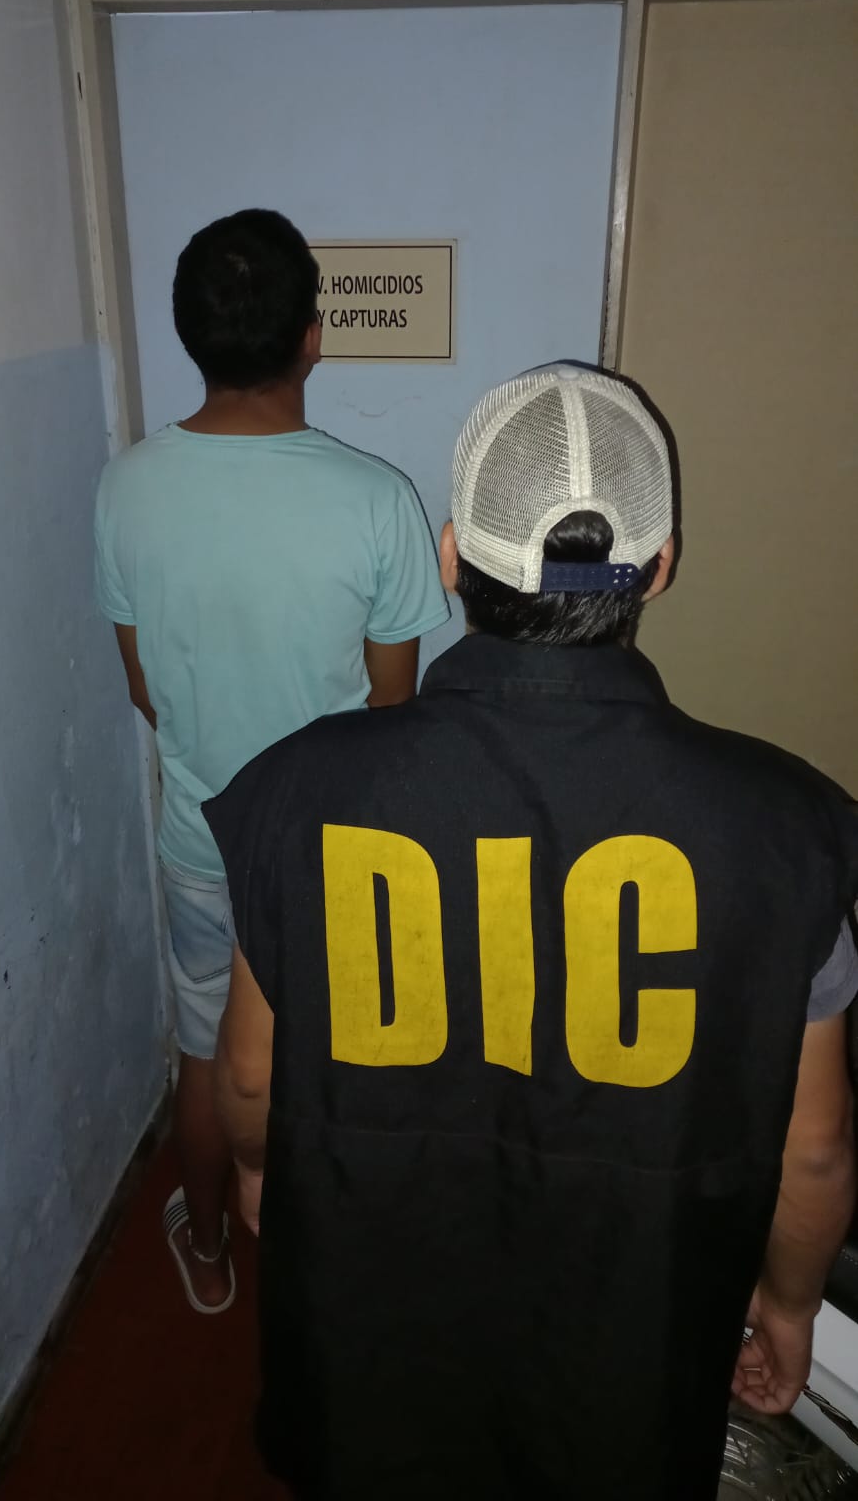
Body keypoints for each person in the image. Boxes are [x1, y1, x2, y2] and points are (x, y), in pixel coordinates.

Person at [204, 362, 858, 1499]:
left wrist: (260, 1170)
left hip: (374, 1358)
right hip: (623, 1368)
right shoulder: (787, 826)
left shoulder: (299, 789)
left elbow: (251, 1074)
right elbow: (813, 1147)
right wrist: (789, 1304)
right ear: (661, 565)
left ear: (452, 556)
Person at [94, 208, 449, 1314]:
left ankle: (208, 1250)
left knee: (210, 1058)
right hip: (335, 852)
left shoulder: (126, 486)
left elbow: (143, 688)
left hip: (204, 844)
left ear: (189, 335)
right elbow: (392, 709)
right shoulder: (378, 499)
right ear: (311, 335)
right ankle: (339, 1273)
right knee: (338, 1055)